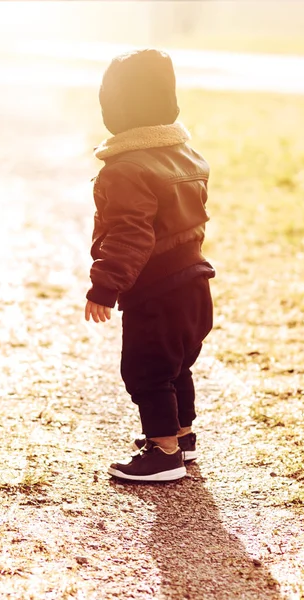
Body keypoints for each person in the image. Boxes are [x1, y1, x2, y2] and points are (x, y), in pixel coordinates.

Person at [85, 49, 215, 482]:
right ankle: (182, 436)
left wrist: (105, 286)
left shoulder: (124, 170)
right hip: (195, 283)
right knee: (177, 365)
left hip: (156, 290)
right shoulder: (187, 156)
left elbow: (131, 235)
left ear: (116, 108)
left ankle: (163, 455)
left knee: (145, 370)